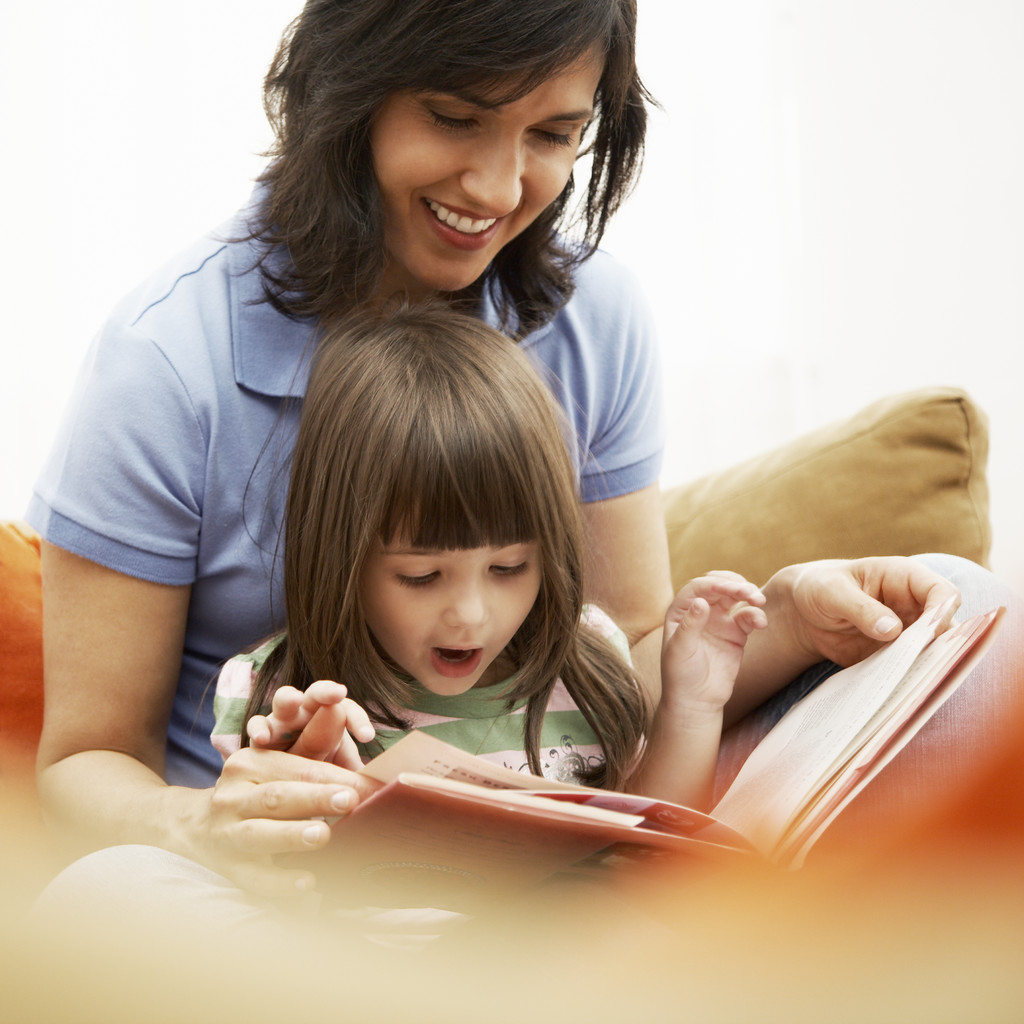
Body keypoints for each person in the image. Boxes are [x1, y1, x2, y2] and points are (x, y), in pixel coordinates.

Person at [26, 0, 1022, 907]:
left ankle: (790, 951)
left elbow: (618, 669)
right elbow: (86, 760)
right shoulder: (168, 358)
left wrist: (791, 622)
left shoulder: (596, 316)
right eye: (456, 117)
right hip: (288, 892)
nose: (501, 187)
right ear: (351, 94)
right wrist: (204, 825)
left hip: (558, 869)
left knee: (955, 603)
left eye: (554, 134)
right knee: (106, 899)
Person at [212, 304, 767, 832]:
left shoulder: (584, 665)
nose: (471, 616)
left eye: (509, 567)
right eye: (421, 577)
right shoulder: (278, 694)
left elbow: (652, 846)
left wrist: (693, 706)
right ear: (342, 559)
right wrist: (297, 782)